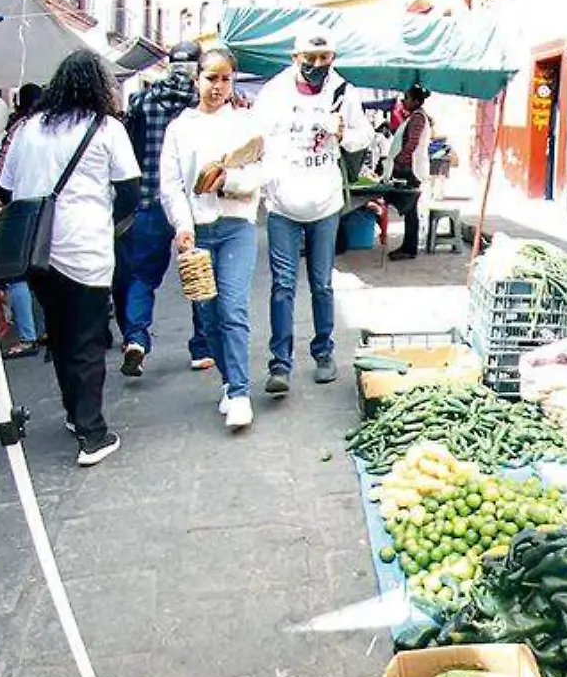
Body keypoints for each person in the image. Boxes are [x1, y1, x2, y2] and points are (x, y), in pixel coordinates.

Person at [0, 51, 141, 467]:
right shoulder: (107, 128)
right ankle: (92, 434)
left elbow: (7, 190)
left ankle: (75, 415)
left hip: (37, 252)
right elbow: (129, 191)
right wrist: (105, 221)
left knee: (59, 336)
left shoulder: (28, 129)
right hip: (85, 248)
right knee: (88, 340)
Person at [254, 27, 371, 395]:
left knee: (322, 284)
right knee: (283, 287)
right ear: (295, 58)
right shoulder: (273, 92)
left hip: (324, 204)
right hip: (282, 206)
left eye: (324, 59)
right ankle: (280, 364)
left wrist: (343, 134)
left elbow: (363, 135)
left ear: (332, 59)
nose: (317, 66)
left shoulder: (343, 92)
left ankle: (324, 352)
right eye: (310, 59)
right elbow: (255, 137)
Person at [160, 46, 268, 430]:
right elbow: (171, 186)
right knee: (207, 315)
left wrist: (228, 182)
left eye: (225, 79)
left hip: (237, 226)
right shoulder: (180, 127)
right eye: (212, 78)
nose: (218, 86)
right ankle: (227, 379)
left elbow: (260, 173)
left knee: (233, 309)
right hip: (199, 231)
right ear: (197, 80)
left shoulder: (245, 123)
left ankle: (240, 391)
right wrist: (183, 226)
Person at [121, 41, 214, 377]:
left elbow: (129, 154)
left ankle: (136, 339)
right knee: (199, 272)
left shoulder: (142, 101)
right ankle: (201, 348)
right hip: (192, 202)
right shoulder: (200, 103)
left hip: (149, 201)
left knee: (142, 277)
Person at [0, 85, 44, 361]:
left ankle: (27, 337)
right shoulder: (59, 127)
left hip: (24, 209)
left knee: (18, 275)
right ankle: (52, 329)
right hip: (54, 209)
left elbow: (4, 178)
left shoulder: (19, 131)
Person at [384, 84, 429, 261]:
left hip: (412, 170)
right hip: (410, 169)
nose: (403, 101)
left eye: (407, 98)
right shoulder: (414, 117)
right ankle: (408, 246)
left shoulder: (418, 118)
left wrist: (399, 161)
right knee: (410, 210)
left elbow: (412, 143)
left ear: (416, 101)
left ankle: (409, 248)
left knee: (410, 210)